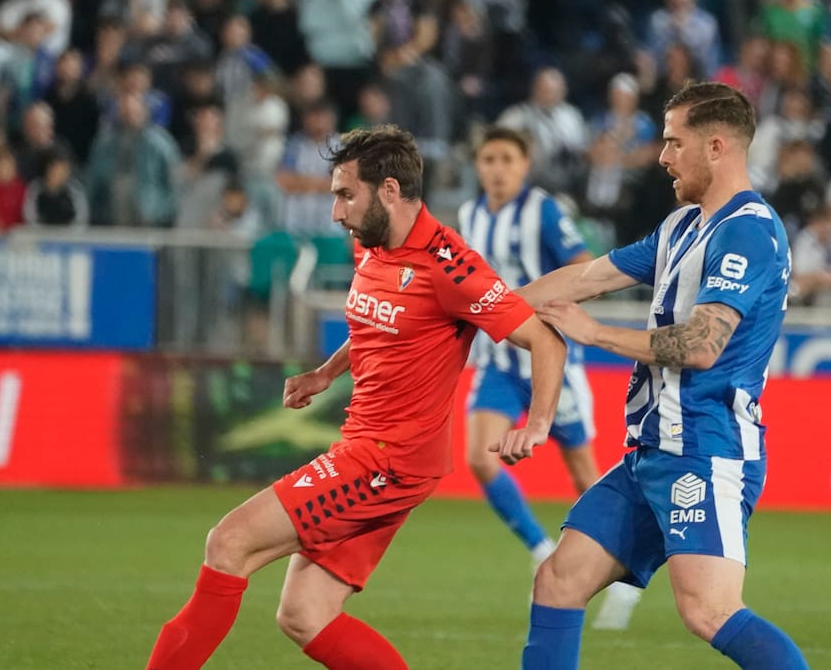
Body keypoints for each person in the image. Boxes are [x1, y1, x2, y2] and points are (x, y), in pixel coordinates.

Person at [145, 125, 568, 670]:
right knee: (305, 613)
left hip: (388, 461)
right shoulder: (373, 247)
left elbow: (543, 341)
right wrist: (325, 373)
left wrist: (536, 423)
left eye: (345, 195)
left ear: (389, 191)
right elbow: (383, 321)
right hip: (370, 451)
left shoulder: (449, 265)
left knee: (229, 543)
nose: (336, 213)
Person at [512, 81, 808, 669]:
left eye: (675, 142)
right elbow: (584, 279)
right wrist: (477, 313)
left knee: (709, 611)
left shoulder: (747, 229)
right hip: (651, 451)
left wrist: (593, 334)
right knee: (558, 581)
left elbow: (703, 346)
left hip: (706, 447)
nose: (662, 156)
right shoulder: (681, 227)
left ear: (717, 147)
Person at [457, 126, 645, 629]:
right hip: (498, 363)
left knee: (586, 477)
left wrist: (551, 311)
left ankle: (626, 583)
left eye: (506, 159)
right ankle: (541, 546)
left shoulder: (542, 210)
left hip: (550, 364)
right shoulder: (469, 215)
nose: (496, 168)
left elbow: (584, 266)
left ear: (524, 165)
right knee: (479, 456)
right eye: (488, 159)